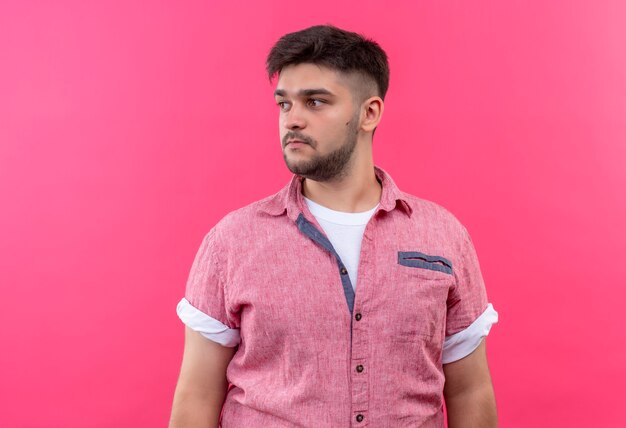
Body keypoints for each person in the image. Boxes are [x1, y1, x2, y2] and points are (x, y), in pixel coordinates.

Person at [169, 24, 498, 428]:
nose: (293, 120)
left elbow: (469, 390)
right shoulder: (232, 241)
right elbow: (197, 395)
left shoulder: (444, 236)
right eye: (284, 104)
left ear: (369, 113)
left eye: (315, 102)